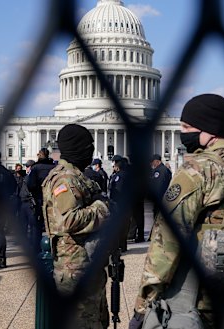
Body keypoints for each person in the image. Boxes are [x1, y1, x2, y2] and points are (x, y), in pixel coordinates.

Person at [129, 94, 224, 329]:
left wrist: (143, 304)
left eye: (187, 126)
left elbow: (166, 242)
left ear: (210, 131)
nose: (182, 131)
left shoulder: (197, 171)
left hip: (196, 305)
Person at [42, 124, 110, 329]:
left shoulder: (75, 174)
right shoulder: (66, 178)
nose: (91, 150)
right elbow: (69, 220)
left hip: (84, 263)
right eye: (88, 145)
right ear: (77, 147)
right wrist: (102, 208)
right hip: (75, 269)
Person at [143, 154, 171, 242]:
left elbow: (158, 186)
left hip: (160, 199)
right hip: (165, 199)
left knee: (158, 218)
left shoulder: (159, 171)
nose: (152, 164)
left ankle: (157, 237)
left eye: (153, 162)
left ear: (157, 161)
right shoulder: (166, 170)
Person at [109, 155, 131, 251]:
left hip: (119, 204)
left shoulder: (119, 176)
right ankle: (123, 245)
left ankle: (120, 246)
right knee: (124, 226)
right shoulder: (126, 174)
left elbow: (117, 190)